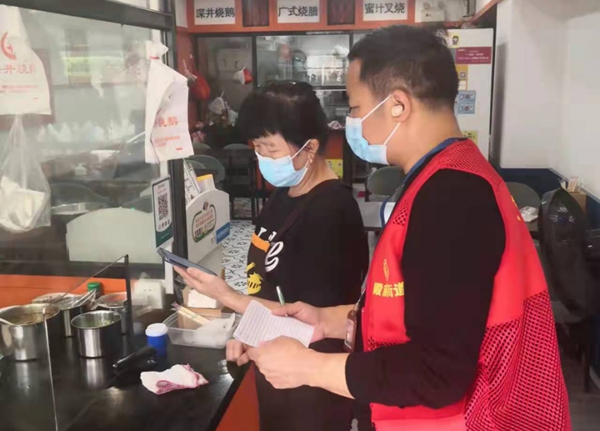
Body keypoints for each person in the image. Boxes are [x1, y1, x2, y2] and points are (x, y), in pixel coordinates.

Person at [230, 26, 571, 431]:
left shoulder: (451, 198)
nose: (352, 122)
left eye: (355, 107)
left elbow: (437, 371)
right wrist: (330, 320)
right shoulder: (446, 177)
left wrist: (309, 367)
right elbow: (435, 312)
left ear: (397, 105)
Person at [175, 81, 369, 431]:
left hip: (312, 381)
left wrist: (227, 297)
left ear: (309, 147)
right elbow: (268, 284)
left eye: (271, 148)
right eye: (258, 148)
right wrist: (248, 332)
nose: (263, 158)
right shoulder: (284, 194)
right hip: (274, 366)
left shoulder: (331, 212)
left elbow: (312, 320)